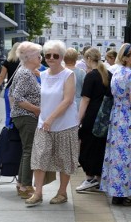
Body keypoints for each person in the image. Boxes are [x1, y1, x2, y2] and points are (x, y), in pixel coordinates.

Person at [25, 40, 79, 207]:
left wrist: (51, 118)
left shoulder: (68, 75)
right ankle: (38, 193)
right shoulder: (42, 74)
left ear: (61, 57)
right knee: (39, 157)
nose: (51, 58)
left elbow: (68, 100)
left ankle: (62, 193)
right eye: (48, 55)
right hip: (44, 124)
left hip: (64, 123)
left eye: (55, 55)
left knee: (64, 159)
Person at [101, 43, 131, 206]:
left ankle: (116, 193)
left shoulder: (116, 71)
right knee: (130, 157)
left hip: (117, 117)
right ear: (126, 58)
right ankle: (127, 195)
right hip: (129, 119)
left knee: (117, 156)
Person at [9, 42, 43, 200]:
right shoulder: (25, 73)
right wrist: (35, 109)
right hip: (26, 116)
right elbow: (17, 97)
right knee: (29, 150)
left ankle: (23, 184)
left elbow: (12, 93)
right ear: (29, 58)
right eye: (38, 55)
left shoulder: (26, 71)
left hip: (23, 115)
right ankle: (25, 186)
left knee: (27, 150)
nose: (41, 58)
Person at [76, 47, 112, 192]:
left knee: (87, 148)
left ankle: (89, 179)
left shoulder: (90, 76)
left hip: (92, 117)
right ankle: (99, 179)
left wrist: (78, 119)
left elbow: (85, 100)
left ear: (89, 59)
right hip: (105, 117)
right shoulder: (109, 74)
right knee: (100, 148)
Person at [0, 42, 21, 126]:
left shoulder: (8, 61)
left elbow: (1, 76)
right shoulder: (26, 62)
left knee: (9, 112)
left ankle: (9, 130)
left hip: (10, 90)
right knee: (22, 113)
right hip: (22, 89)